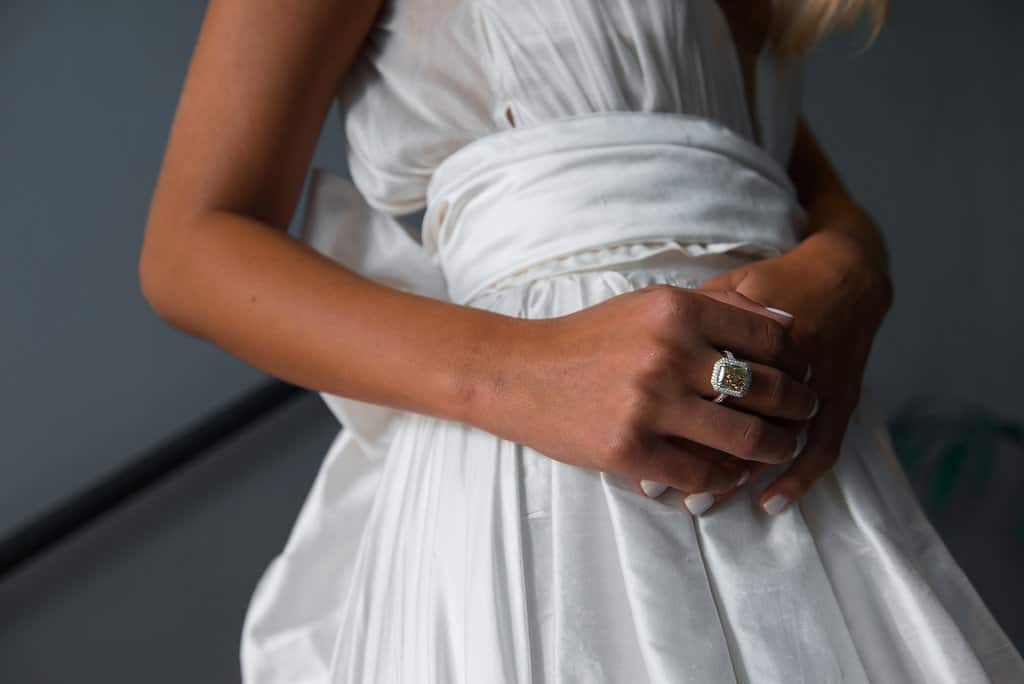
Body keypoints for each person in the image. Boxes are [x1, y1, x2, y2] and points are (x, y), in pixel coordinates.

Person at [139, 0, 1024, 681]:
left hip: (805, 483)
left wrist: (856, 267)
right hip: (550, 483)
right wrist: (516, 372)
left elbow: (759, 161)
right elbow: (188, 245)